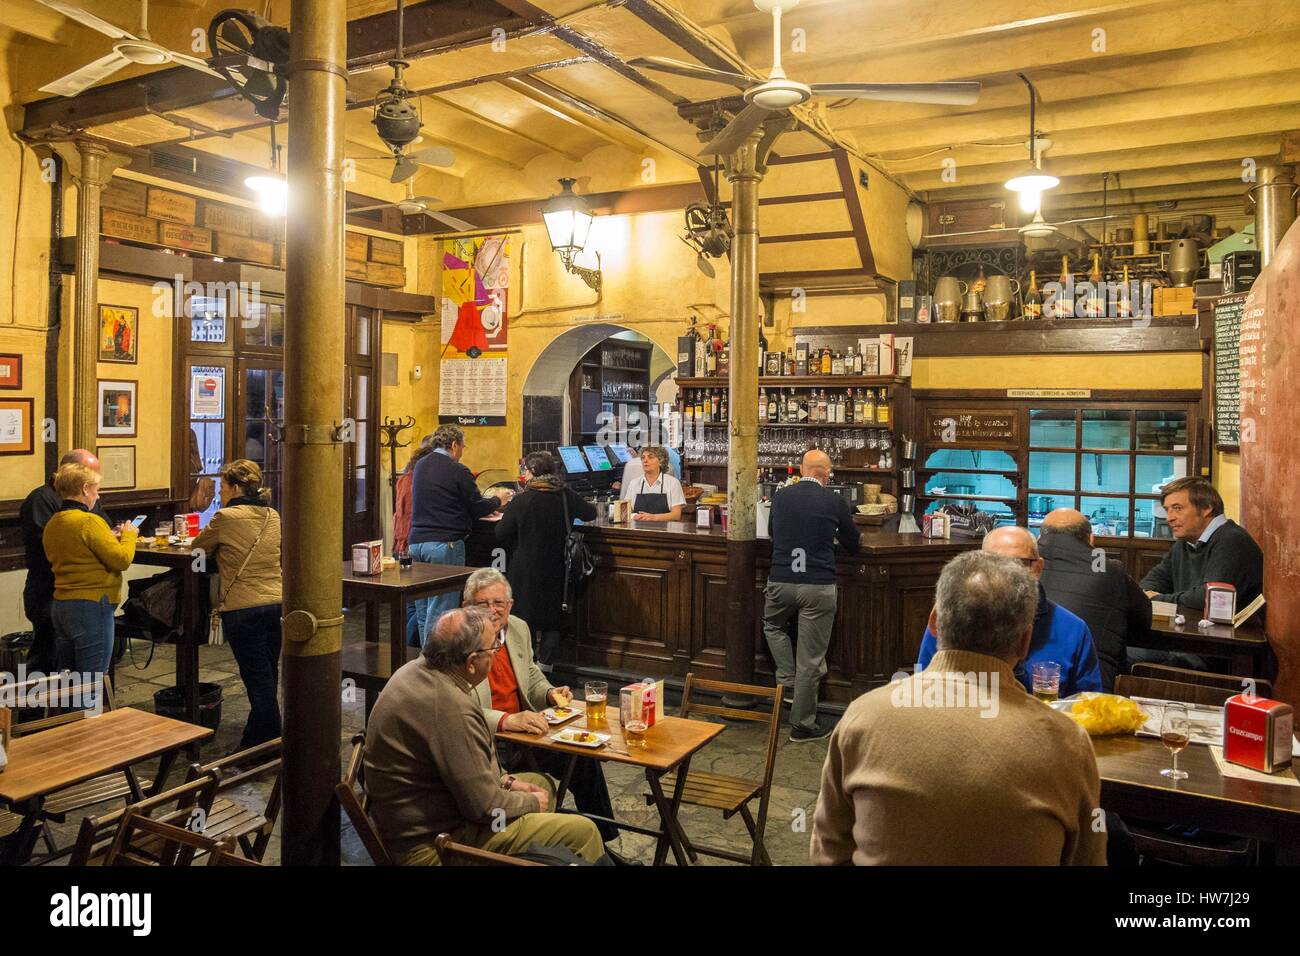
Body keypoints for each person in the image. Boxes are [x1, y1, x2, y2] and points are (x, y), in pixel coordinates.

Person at [811, 550, 1106, 865]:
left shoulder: (862, 715)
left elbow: (827, 853)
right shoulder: (1067, 741)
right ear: (1024, 641)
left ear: (934, 623)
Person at [364, 606, 606, 865]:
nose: (497, 653)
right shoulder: (450, 708)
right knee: (583, 831)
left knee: (542, 783)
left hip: (426, 816)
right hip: (436, 845)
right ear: (471, 663)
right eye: (494, 648)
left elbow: (466, 777)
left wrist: (508, 784)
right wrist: (529, 803)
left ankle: (547, 855)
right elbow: (484, 808)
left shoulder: (416, 671)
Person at [461, 569, 629, 860]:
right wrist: (506, 719)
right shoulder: (460, 644)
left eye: (498, 603)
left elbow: (531, 675)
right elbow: (459, 707)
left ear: (510, 605)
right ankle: (556, 849)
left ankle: (602, 844)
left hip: (527, 733)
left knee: (583, 759)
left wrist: (550, 694)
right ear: (467, 608)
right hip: (490, 743)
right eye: (482, 604)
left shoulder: (517, 628)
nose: (492, 611)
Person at [916, 526, 1103, 697]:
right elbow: (923, 686)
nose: (1003, 576)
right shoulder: (953, 618)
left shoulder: (1072, 629)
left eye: (1017, 564)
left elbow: (1088, 706)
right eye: (991, 564)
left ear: (1037, 568)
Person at [763, 449, 860, 742]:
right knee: (811, 658)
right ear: (826, 473)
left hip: (780, 581)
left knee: (772, 625)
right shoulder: (834, 500)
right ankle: (803, 724)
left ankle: (788, 680)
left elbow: (772, 533)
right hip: (817, 586)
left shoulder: (780, 497)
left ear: (802, 469)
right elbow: (852, 543)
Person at [192, 460, 283, 749]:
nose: (220, 493)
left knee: (257, 680)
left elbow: (199, 547)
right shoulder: (272, 515)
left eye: (222, 487)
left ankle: (272, 743)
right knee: (268, 673)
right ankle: (255, 740)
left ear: (234, 487)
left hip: (242, 607)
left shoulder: (226, 517)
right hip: (276, 602)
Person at [408, 424, 510, 644]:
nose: (463, 450)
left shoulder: (420, 465)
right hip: (444, 545)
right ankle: (437, 668)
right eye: (463, 446)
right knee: (442, 611)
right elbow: (477, 507)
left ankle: (425, 662)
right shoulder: (457, 469)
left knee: (424, 610)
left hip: (416, 544)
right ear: (454, 445)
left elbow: (443, 499)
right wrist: (498, 500)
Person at [494, 451, 597, 664]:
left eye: (525, 470)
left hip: (526, 570)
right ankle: (546, 667)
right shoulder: (565, 495)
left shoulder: (522, 500)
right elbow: (590, 513)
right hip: (558, 567)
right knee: (553, 620)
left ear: (532, 472)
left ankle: (527, 667)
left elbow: (501, 533)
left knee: (525, 620)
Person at [42, 462, 138, 682]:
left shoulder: (54, 522)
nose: (98, 494)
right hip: (91, 606)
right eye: (96, 489)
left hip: (61, 604)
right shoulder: (89, 521)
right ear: (85, 488)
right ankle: (88, 717)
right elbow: (122, 559)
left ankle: (67, 717)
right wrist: (129, 535)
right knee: (90, 682)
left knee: (68, 683)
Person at [1039, 508, 1152, 691]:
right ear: (1091, 539)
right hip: (1091, 689)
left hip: (1028, 680)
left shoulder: (1025, 565)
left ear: (1040, 537)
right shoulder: (1110, 569)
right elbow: (1143, 623)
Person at [19, 450, 111, 672]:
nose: (95, 485)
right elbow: (48, 548)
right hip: (48, 590)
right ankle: (36, 706)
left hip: (80, 593)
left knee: (74, 664)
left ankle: (72, 706)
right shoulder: (41, 499)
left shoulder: (87, 499)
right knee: (47, 655)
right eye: (91, 474)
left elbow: (105, 527)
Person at [1140, 477, 1263, 611]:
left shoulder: (1232, 540)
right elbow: (1153, 581)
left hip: (1232, 631)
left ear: (1206, 508)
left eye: (1177, 508)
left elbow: (1208, 598)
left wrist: (1155, 599)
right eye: (1167, 509)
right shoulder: (1186, 542)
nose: (1169, 518)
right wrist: (1146, 594)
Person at [392, 433, 434, 646]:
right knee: (418, 605)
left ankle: (407, 649)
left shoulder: (407, 474)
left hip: (401, 543)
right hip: (411, 542)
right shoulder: (421, 477)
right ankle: (409, 649)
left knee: (412, 603)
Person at [619, 446, 685, 522]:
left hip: (664, 532)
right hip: (638, 531)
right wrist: (634, 516)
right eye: (643, 458)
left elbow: (676, 515)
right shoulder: (634, 483)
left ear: (661, 461)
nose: (645, 461)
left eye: (650, 457)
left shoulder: (672, 483)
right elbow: (624, 512)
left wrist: (654, 517)